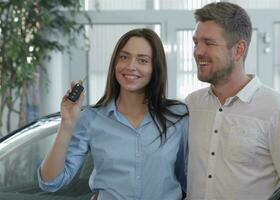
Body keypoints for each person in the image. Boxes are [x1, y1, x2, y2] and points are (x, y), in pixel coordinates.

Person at [38, 28, 189, 200]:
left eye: (142, 60)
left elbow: (190, 181)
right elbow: (51, 181)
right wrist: (67, 123)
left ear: (155, 68)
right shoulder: (91, 118)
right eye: (124, 57)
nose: (130, 66)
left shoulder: (178, 116)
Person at [185, 2, 280, 200]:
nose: (198, 51)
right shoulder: (191, 105)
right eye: (196, 42)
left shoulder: (279, 110)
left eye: (208, 43)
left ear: (238, 50)